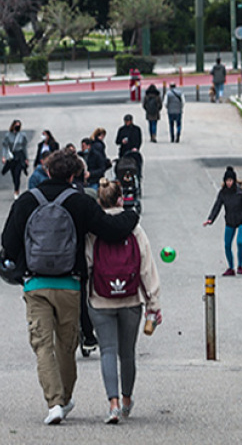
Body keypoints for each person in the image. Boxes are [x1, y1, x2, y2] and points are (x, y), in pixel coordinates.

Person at [0, 150, 140, 425]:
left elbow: (8, 243)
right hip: (70, 284)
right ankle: (63, 397)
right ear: (74, 175)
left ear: (47, 171)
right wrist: (131, 215)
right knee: (66, 346)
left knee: (42, 345)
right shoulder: (79, 202)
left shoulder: (27, 201)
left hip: (35, 284)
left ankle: (54, 403)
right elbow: (110, 229)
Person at [87, 179, 161, 424]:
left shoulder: (93, 229)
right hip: (131, 299)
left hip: (100, 299)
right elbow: (146, 268)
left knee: (107, 350)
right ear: (121, 199)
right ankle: (127, 399)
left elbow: (87, 264)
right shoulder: (135, 229)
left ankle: (113, 404)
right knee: (127, 352)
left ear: (100, 201)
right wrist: (153, 303)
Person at [202, 167, 242, 276]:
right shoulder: (223, 193)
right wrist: (210, 219)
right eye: (227, 181)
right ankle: (231, 268)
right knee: (227, 245)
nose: (229, 183)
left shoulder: (241, 191)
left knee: (240, 242)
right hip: (230, 221)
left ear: (234, 180)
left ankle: (240, 265)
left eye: (230, 181)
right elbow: (217, 206)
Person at [1, 120, 30, 199]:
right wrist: (4, 156)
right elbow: (5, 146)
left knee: (17, 174)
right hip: (12, 156)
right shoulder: (8, 135)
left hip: (20, 156)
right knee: (13, 174)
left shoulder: (22, 135)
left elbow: (24, 147)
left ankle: (16, 190)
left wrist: (26, 158)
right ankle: (16, 186)